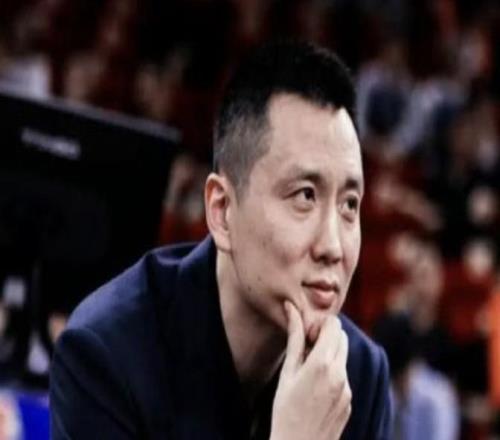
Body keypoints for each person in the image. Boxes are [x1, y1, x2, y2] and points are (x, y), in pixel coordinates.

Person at [50, 40, 392, 439]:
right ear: (222, 210)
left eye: (349, 204)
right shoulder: (107, 355)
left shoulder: (358, 376)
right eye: (305, 196)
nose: (332, 246)